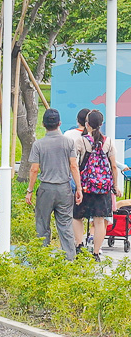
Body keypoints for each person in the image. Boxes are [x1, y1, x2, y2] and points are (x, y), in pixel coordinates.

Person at [25, 108, 82, 261]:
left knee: (42, 225)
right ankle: (70, 260)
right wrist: (79, 188)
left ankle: (42, 259)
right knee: (65, 225)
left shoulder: (38, 144)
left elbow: (34, 169)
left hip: (46, 189)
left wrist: (30, 190)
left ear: (43, 124)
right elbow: (74, 166)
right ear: (59, 123)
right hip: (64, 188)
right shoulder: (68, 142)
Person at [73, 110, 121, 260]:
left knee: (77, 216)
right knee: (100, 220)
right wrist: (115, 185)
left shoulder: (81, 141)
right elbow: (114, 166)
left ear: (87, 124)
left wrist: (78, 187)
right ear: (101, 124)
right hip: (103, 188)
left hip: (85, 186)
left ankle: (79, 246)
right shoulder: (108, 142)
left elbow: (74, 164)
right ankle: (96, 253)